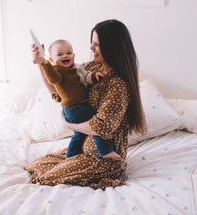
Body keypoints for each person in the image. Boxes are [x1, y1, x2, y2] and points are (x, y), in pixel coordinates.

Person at [25, 19, 147, 189]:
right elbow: (56, 90)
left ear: (111, 47)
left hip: (103, 157)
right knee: (38, 165)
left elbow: (99, 127)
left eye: (97, 44)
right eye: (92, 43)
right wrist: (41, 62)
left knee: (47, 177)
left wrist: (68, 123)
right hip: (83, 148)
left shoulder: (117, 85)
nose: (91, 48)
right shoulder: (90, 67)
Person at [33, 39, 121, 160]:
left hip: (76, 108)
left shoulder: (77, 67)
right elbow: (53, 79)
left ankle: (71, 156)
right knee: (96, 124)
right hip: (74, 107)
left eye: (69, 53)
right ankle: (105, 151)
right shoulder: (57, 71)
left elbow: (86, 76)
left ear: (74, 55)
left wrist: (94, 76)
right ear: (52, 60)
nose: (65, 56)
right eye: (60, 54)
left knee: (79, 135)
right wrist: (43, 63)